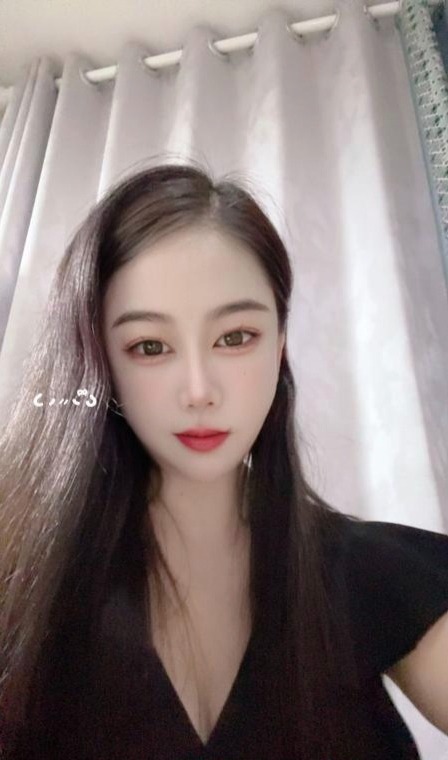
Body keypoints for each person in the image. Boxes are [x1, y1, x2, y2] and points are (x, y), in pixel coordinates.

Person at [0, 161, 447, 760]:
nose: (199, 390)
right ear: (100, 362)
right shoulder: (25, 583)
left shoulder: (372, 575)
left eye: (235, 337)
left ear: (280, 342)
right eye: (149, 347)